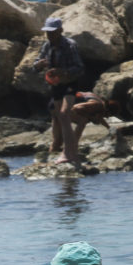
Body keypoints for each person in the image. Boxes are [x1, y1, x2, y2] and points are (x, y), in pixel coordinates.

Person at [32, 17, 85, 164]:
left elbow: (80, 68)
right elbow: (34, 66)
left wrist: (64, 72)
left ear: (60, 31)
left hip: (70, 83)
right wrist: (39, 65)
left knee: (64, 114)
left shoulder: (70, 45)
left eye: (52, 32)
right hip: (55, 86)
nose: (49, 35)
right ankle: (69, 150)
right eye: (47, 32)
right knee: (59, 116)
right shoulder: (47, 46)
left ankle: (68, 153)